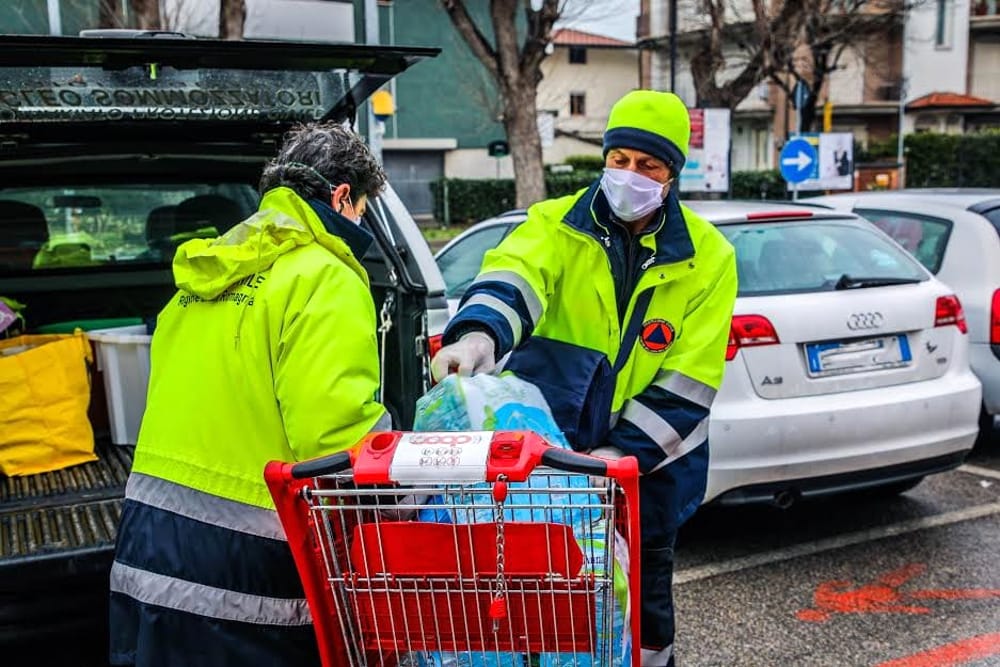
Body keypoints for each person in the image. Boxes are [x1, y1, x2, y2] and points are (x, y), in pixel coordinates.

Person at [431, 90, 738, 667]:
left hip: (649, 472)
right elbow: (514, 277)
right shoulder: (555, 224)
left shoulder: (709, 257)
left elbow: (688, 383)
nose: (629, 175)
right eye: (619, 160)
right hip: (549, 468)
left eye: (648, 166)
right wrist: (478, 334)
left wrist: (616, 458)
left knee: (642, 606)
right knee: (545, 602)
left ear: (672, 173)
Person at [109, 122, 391, 667]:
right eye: (361, 207)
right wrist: (409, 485)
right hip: (246, 567)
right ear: (341, 197)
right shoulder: (325, 278)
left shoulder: (202, 277)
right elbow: (332, 439)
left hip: (144, 543)